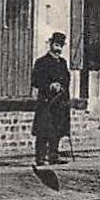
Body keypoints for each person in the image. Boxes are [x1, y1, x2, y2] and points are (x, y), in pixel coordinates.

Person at [31, 32, 72, 166]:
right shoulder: (41, 62)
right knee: (43, 130)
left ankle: (54, 155)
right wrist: (49, 85)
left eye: (60, 46)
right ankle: (40, 157)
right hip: (46, 102)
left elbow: (67, 79)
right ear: (50, 44)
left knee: (57, 130)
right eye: (56, 45)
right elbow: (36, 80)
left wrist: (62, 86)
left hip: (59, 102)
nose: (58, 49)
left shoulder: (63, 63)